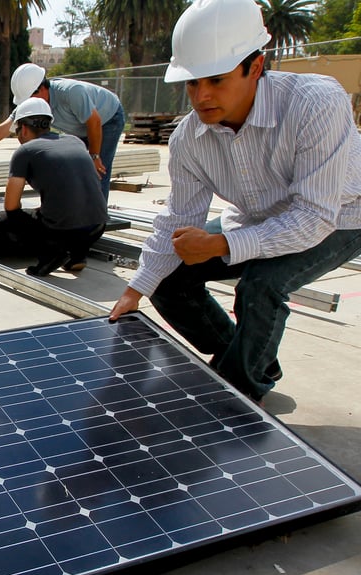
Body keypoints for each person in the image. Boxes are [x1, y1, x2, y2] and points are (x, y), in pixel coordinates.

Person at [108, 0, 361, 402]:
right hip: (258, 216)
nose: (201, 95)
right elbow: (177, 219)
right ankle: (242, 355)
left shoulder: (315, 103)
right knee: (169, 279)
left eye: (216, 80)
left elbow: (314, 216)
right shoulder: (189, 139)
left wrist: (223, 244)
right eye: (192, 83)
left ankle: (238, 396)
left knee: (261, 286)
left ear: (255, 67)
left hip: (342, 213)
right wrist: (136, 288)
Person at [0, 63, 125, 202]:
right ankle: (73, 213)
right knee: (76, 169)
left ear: (42, 88)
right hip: (81, 126)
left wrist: (94, 156)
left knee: (97, 170)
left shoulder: (71, 92)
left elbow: (94, 122)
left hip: (107, 119)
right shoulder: (31, 105)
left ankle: (98, 219)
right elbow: (4, 129)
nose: (28, 104)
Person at [0, 97, 108, 276]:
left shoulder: (25, 151)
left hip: (64, 229)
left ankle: (51, 254)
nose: (18, 137)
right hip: (97, 225)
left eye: (18, 131)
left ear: (25, 129)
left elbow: (11, 206)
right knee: (58, 213)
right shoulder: (75, 141)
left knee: (0, 220)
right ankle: (78, 255)